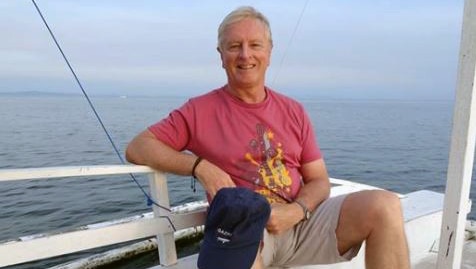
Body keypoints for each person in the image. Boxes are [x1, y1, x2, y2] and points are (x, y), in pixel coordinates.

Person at [126, 6, 409, 269]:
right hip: (246, 229)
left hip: (301, 222)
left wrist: (297, 210)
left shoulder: (293, 110)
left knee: (384, 205)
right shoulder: (199, 110)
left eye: (255, 45)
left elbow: (319, 180)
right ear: (221, 54)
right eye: (234, 46)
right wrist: (200, 167)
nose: (245, 55)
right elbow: (139, 147)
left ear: (269, 52)